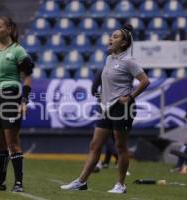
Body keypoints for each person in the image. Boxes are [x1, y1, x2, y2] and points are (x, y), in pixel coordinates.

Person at [61, 24, 150, 193]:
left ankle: (120, 185)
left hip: (122, 108)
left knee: (120, 147)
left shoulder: (129, 61)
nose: (111, 39)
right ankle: (81, 182)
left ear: (124, 43)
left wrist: (130, 96)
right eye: (111, 36)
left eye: (115, 37)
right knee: (95, 145)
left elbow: (145, 81)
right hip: (106, 108)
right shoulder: (109, 58)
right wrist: (101, 94)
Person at [0, 16, 34, 192]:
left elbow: (27, 78)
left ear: (9, 29)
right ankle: (0, 182)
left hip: (10, 97)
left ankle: (18, 183)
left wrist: (24, 101)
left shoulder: (19, 51)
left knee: (12, 143)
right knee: (0, 143)